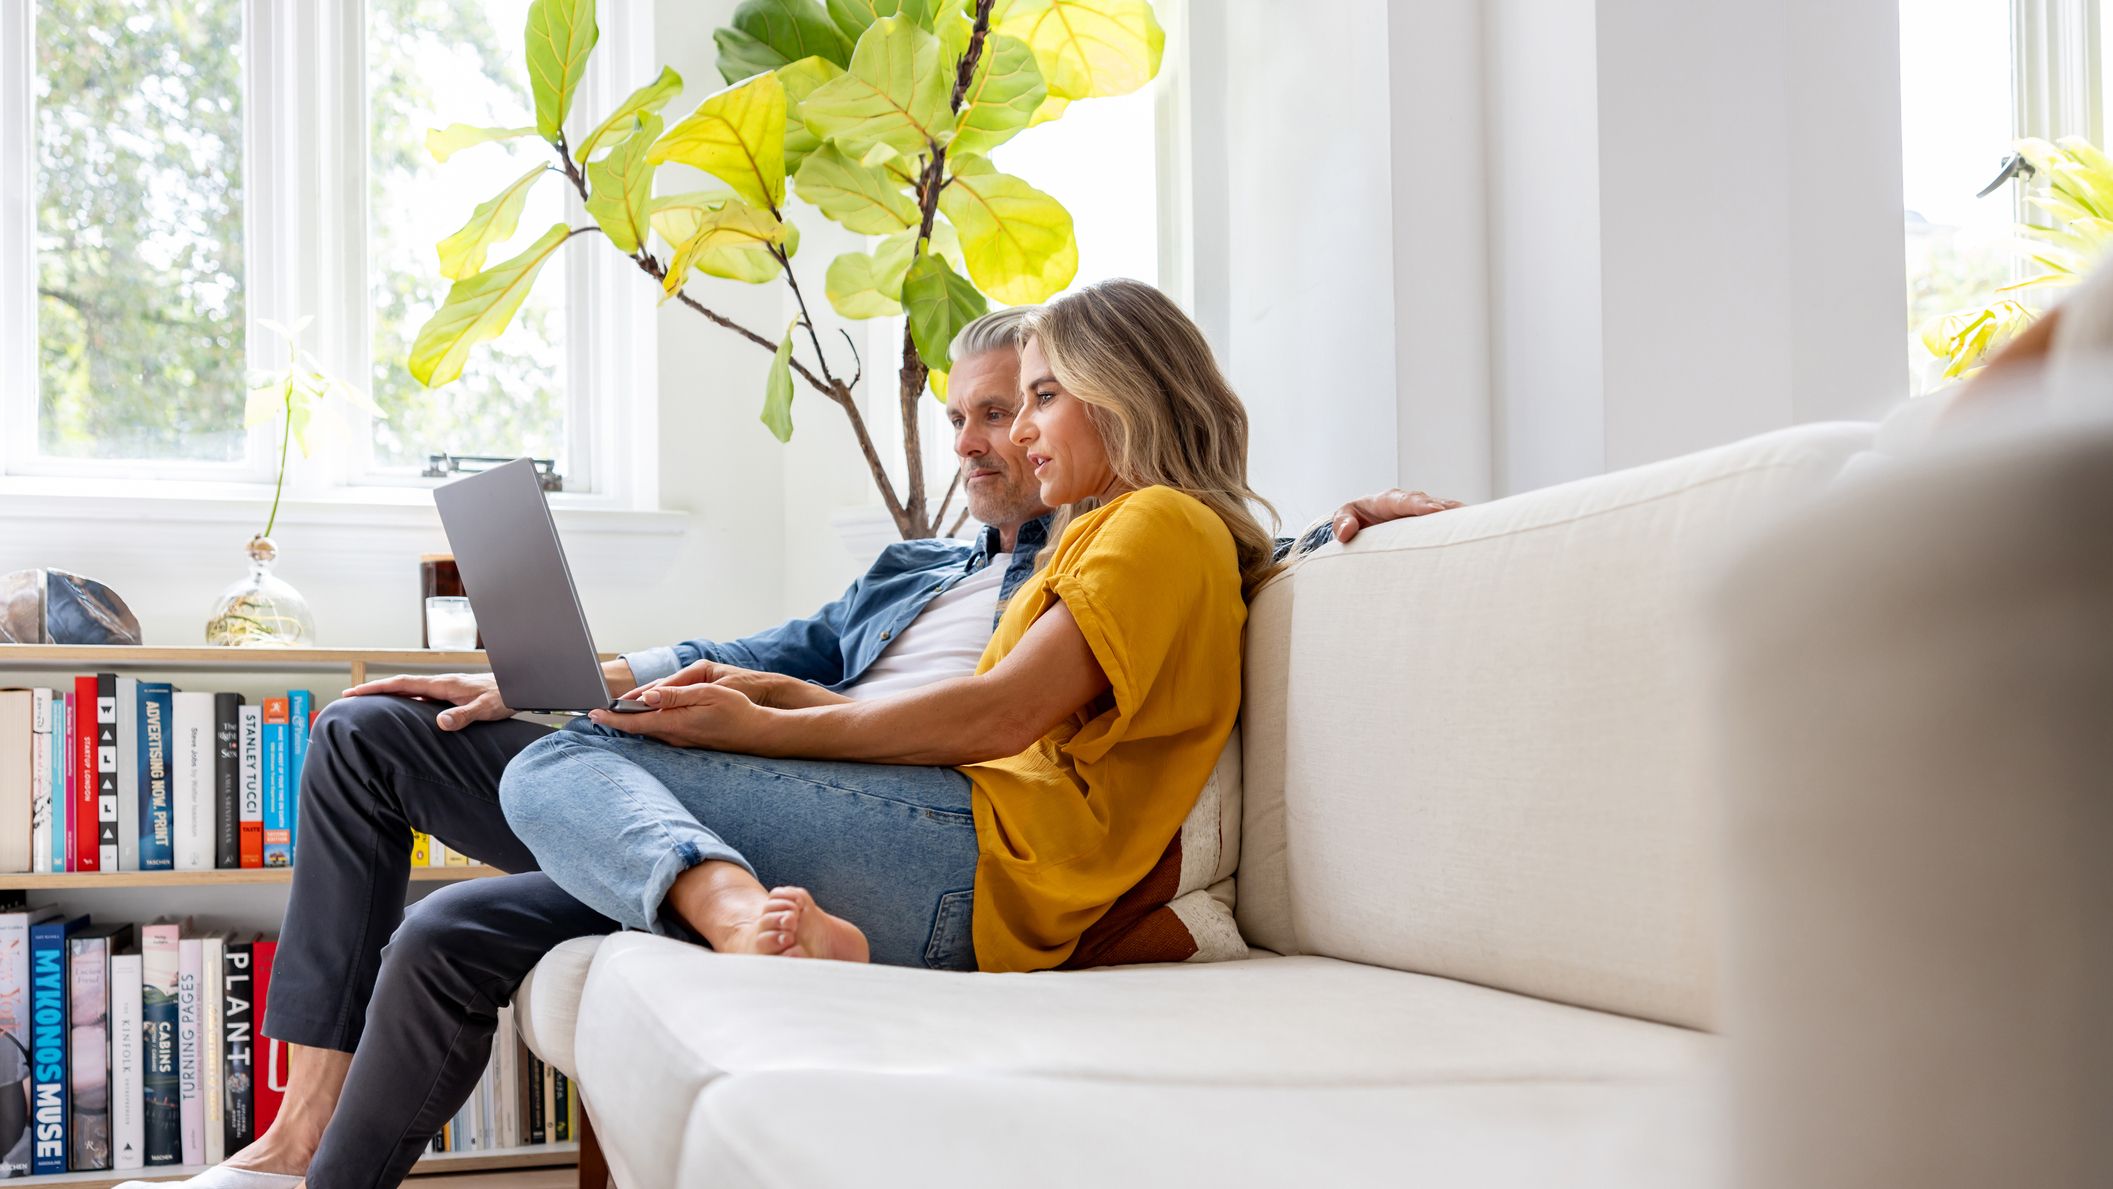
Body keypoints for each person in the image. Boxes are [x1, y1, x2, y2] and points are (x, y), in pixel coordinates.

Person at [124, 299, 1460, 1189]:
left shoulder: (1133, 529)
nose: (993, 436)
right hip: (856, 814)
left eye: (1027, 402)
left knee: (548, 765)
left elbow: (1089, 658)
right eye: (973, 413)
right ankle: (303, 1156)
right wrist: (615, 685)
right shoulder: (946, 564)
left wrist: (1339, 527)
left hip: (943, 844)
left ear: (1113, 397)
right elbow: (781, 650)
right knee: (437, 896)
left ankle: (723, 905)